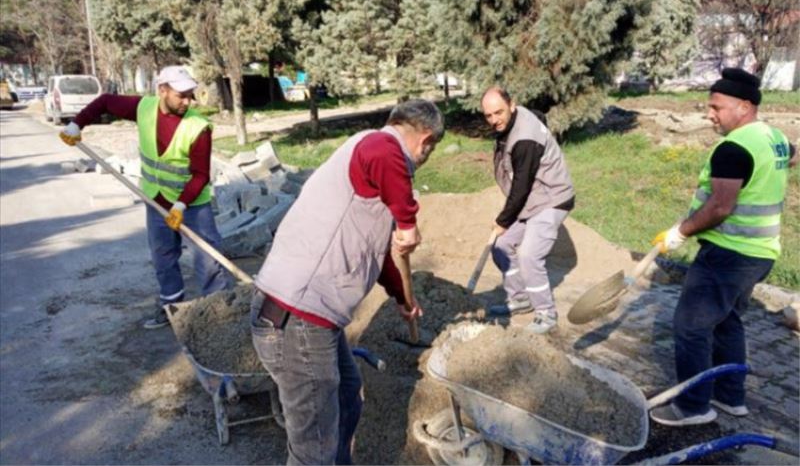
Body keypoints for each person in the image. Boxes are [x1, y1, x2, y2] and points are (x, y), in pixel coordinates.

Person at [250, 99, 444, 465]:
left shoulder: (374, 176)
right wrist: (407, 220)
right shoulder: (379, 145)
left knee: (347, 393)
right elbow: (382, 154)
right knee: (314, 448)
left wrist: (402, 298)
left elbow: (382, 254)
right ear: (426, 141)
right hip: (296, 317)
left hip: (309, 318)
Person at [649, 68, 796, 427]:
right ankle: (731, 397)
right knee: (728, 321)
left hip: (729, 254)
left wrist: (679, 233)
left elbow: (720, 207)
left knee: (690, 325)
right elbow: (790, 154)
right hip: (760, 252)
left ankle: (693, 407)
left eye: (717, 106)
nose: (709, 114)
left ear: (744, 107)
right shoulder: (773, 137)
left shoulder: (733, 148)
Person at [59, 65, 231, 329]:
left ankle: (219, 312)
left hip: (192, 205)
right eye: (181, 95)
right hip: (155, 200)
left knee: (209, 259)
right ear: (162, 90)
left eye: (190, 95)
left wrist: (181, 205)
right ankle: (171, 308)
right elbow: (105, 101)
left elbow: (200, 175)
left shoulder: (198, 127)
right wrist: (75, 123)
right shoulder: (143, 108)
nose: (188, 102)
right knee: (163, 257)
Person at [481, 87, 575, 334]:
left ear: (512, 105)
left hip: (551, 199)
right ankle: (520, 298)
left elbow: (521, 186)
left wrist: (503, 220)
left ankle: (546, 313)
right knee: (501, 245)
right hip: (531, 200)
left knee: (529, 255)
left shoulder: (524, 139)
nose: (494, 120)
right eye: (488, 115)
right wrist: (505, 224)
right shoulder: (513, 121)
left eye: (498, 112)